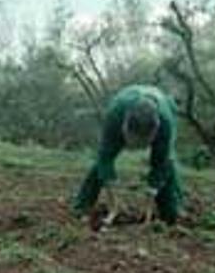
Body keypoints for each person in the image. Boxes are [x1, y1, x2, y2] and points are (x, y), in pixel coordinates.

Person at [73, 84, 183, 225]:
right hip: (122, 107)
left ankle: (172, 211)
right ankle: (82, 206)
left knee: (166, 163)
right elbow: (105, 158)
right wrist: (114, 203)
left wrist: (149, 199)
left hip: (163, 107)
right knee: (101, 162)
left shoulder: (166, 122)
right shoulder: (115, 113)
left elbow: (161, 165)